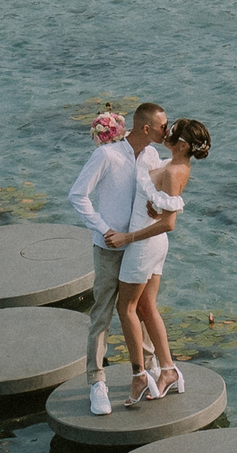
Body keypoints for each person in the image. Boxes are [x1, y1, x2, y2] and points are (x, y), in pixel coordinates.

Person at [66, 102, 169, 415]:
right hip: (110, 248)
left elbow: (159, 192)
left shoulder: (152, 156)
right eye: (163, 125)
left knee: (140, 308)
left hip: (139, 246)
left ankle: (150, 368)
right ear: (145, 128)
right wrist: (103, 227)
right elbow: (77, 195)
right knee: (103, 314)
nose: (168, 130)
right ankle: (98, 382)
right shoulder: (106, 155)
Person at [115, 118, 209, 403]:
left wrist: (126, 238)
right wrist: (155, 208)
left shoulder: (174, 171)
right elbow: (165, 208)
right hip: (154, 245)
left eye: (172, 131)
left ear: (181, 145)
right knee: (146, 306)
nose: (166, 133)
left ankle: (139, 377)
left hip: (144, 245)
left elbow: (170, 223)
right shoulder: (176, 165)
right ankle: (168, 370)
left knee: (126, 308)